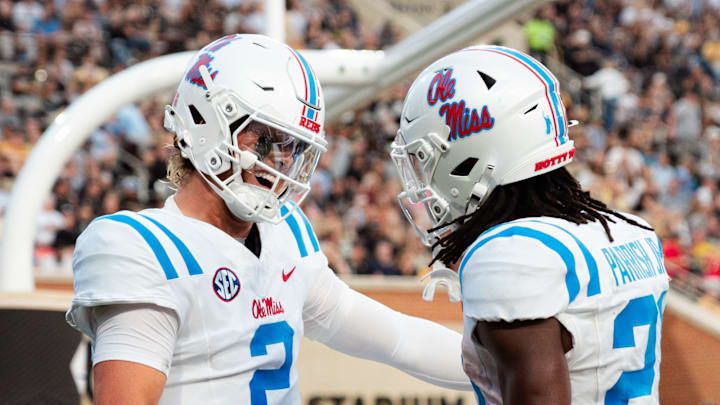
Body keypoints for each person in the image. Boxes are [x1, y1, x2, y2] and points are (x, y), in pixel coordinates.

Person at [65, 34, 471, 405]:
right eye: (264, 139)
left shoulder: (285, 233)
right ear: (206, 124)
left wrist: (503, 372)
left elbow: (398, 340)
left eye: (293, 147)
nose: (282, 161)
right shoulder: (142, 248)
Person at [391, 45, 669, 404]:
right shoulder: (629, 228)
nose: (421, 180)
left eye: (424, 159)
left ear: (469, 154)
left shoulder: (508, 255)